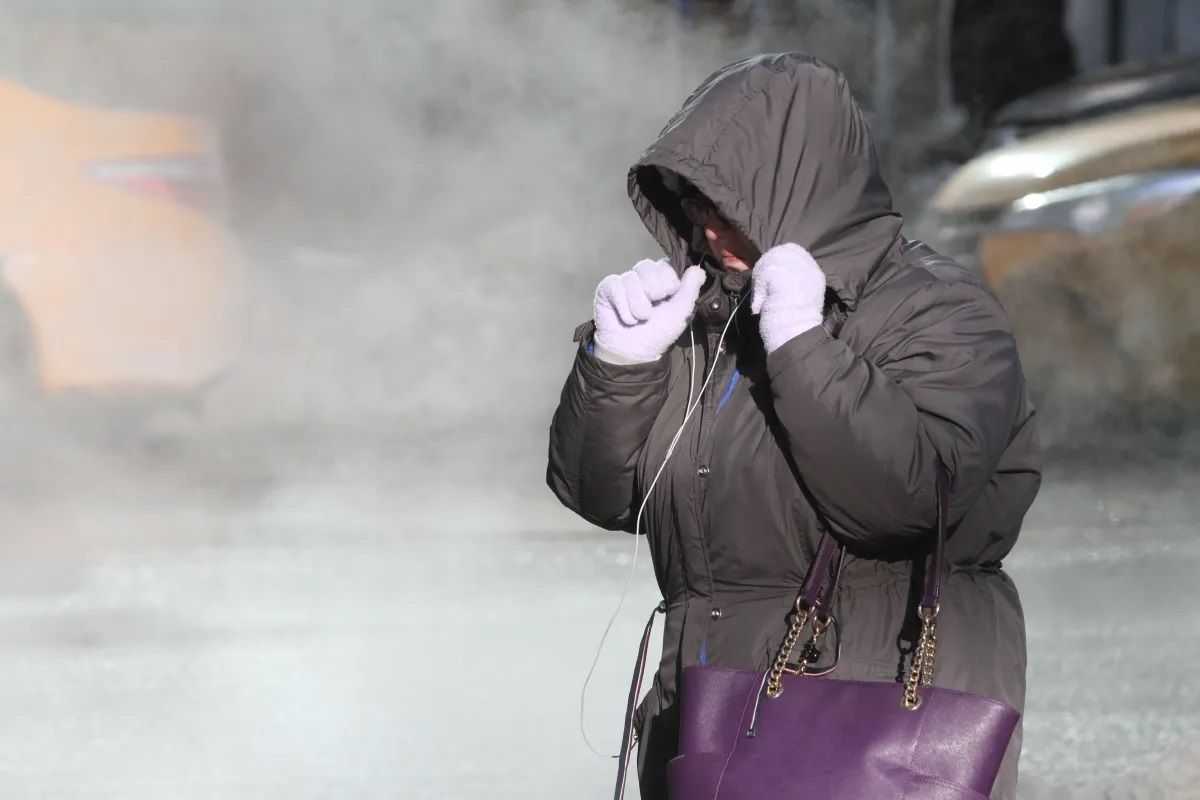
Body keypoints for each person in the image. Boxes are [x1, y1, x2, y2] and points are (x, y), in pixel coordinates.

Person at [545, 53, 1041, 800]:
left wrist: (802, 346)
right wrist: (618, 366)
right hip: (705, 721)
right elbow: (603, 494)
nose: (708, 228)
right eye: (689, 201)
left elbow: (907, 498)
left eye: (725, 200)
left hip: (863, 729)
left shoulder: (938, 311)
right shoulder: (710, 316)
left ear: (802, 190)